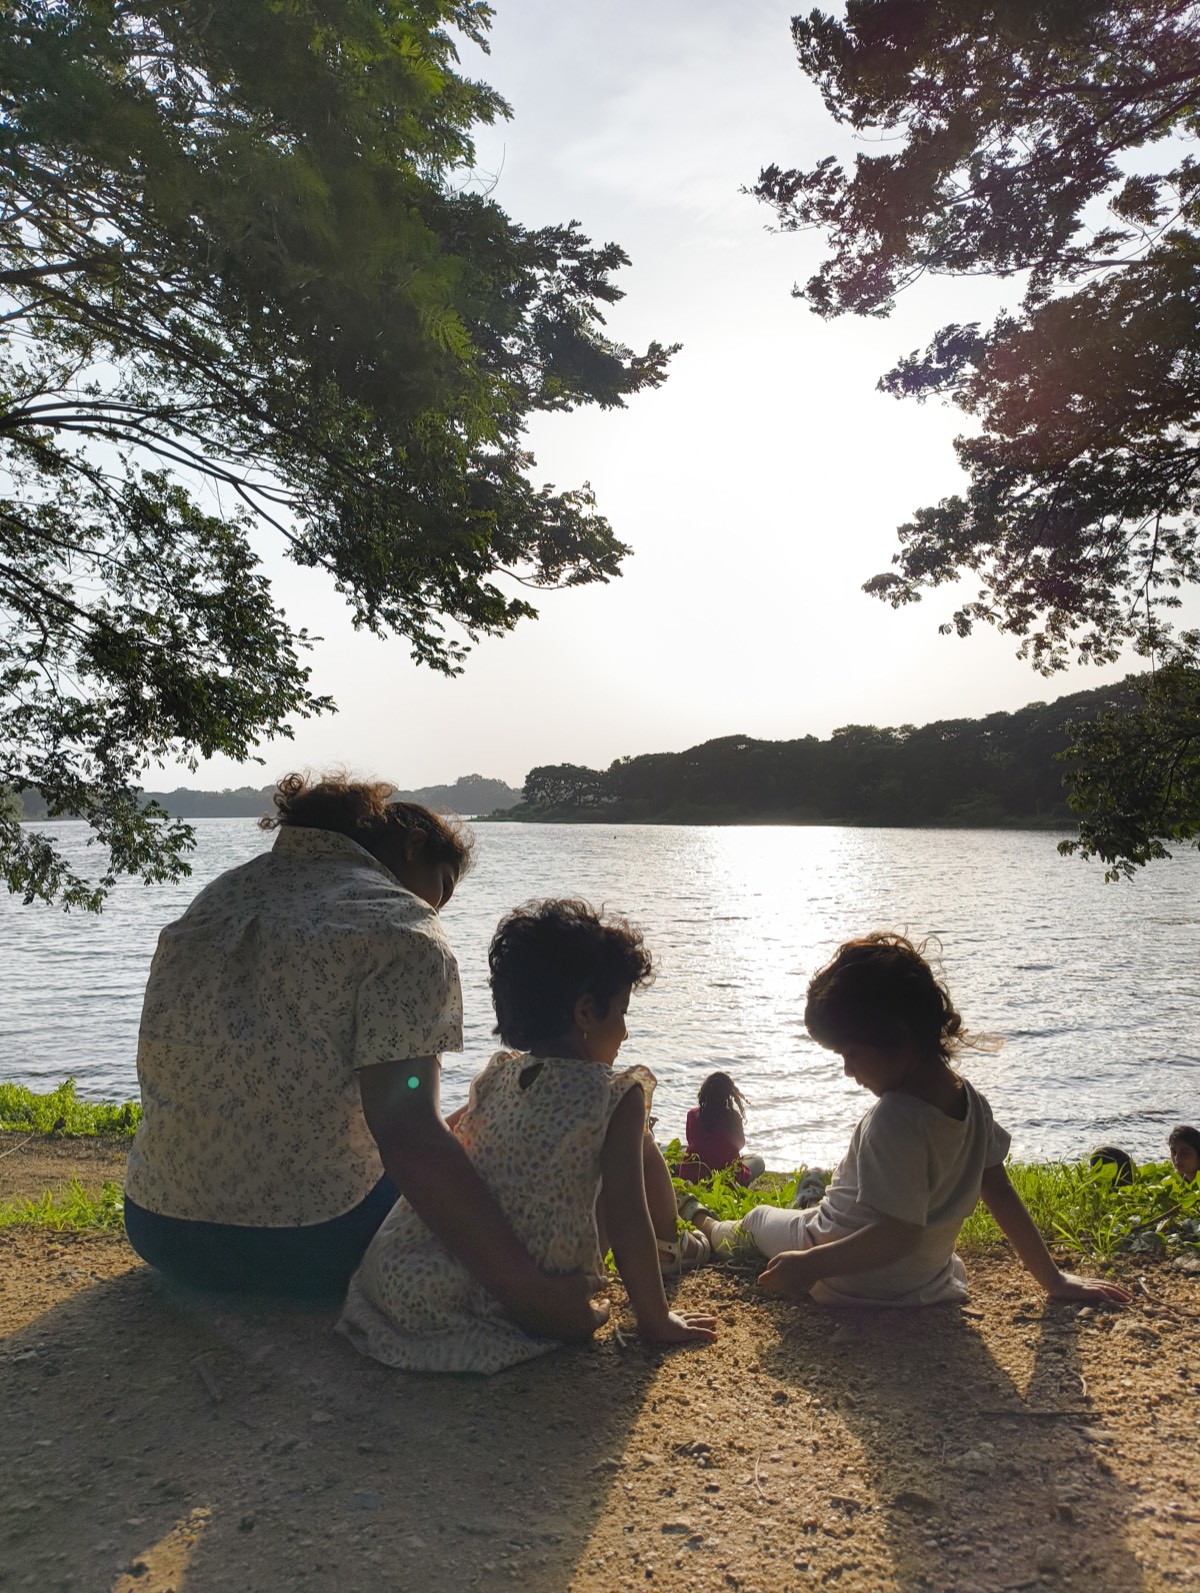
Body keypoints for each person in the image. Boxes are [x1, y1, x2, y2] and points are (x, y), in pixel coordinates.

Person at [123, 774, 603, 1342]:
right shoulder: (404, 928)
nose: (435, 907)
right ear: (412, 848)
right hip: (311, 1246)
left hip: (160, 1228)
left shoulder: (215, 900)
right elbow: (407, 1131)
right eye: (441, 888)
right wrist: (533, 1296)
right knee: (484, 1159)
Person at [338, 899, 718, 1373]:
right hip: (517, 1291)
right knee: (638, 1148)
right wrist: (655, 1318)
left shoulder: (496, 1076)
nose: (623, 1032)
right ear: (585, 1013)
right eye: (620, 1012)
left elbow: (455, 1139)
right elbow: (624, 1214)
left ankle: (670, 1247)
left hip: (402, 1280)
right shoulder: (615, 1096)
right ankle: (670, 1248)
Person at [687, 933, 1131, 1309]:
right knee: (822, 1208)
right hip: (922, 1287)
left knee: (760, 1219)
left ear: (896, 1035)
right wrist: (1054, 1281)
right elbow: (998, 1189)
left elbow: (897, 1234)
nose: (848, 1071)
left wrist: (811, 1266)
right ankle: (803, 1200)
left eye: (851, 1054)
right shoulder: (973, 1103)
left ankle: (707, 1227)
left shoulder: (893, 1120)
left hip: (845, 1278)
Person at [678, 1071, 765, 1186]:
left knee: (684, 1150)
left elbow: (691, 1140)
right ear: (727, 1096)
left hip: (693, 1176)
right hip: (726, 1178)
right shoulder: (733, 1118)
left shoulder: (692, 1115)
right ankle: (743, 1186)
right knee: (758, 1161)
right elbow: (740, 1144)